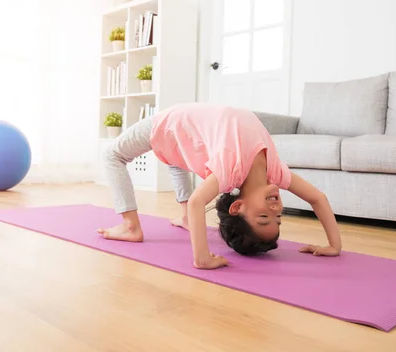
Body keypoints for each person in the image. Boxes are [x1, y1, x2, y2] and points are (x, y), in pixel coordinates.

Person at [98, 103, 342, 270]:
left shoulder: (230, 168)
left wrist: (202, 259)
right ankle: (185, 219)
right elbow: (317, 198)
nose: (276, 209)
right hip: (183, 129)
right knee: (178, 158)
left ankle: (131, 226)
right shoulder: (274, 171)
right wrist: (334, 245)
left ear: (237, 207)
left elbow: (197, 201)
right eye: (278, 218)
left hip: (168, 124)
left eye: (263, 217)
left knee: (112, 155)